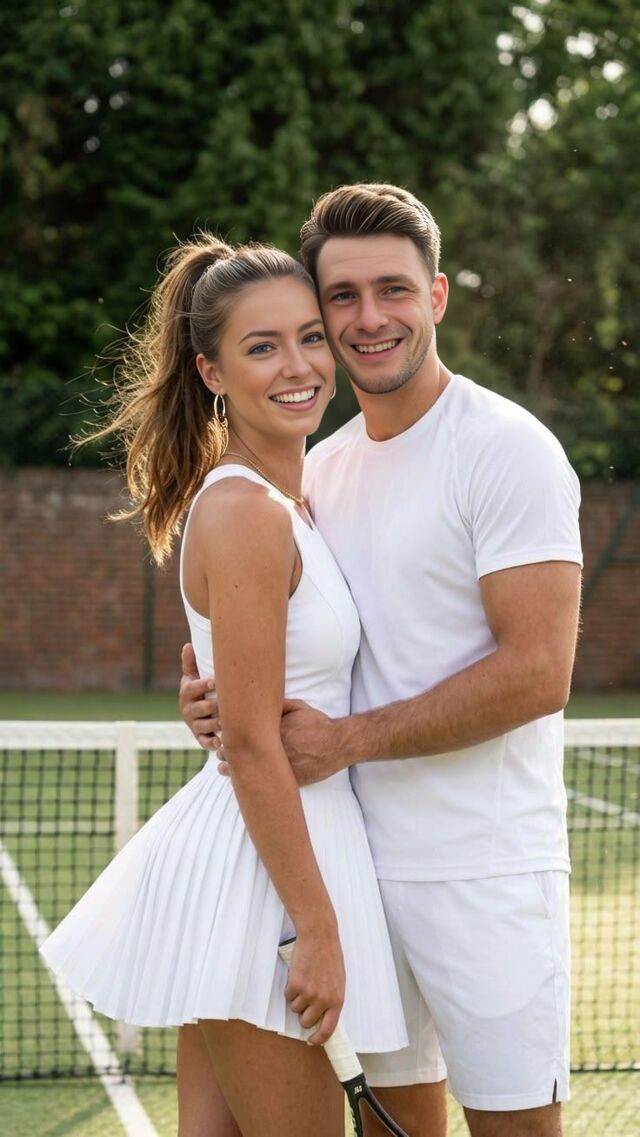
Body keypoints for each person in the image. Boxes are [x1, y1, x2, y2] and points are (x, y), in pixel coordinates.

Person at [180, 184, 583, 1137]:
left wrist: (347, 740)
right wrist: (213, 698)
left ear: (436, 295)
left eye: (393, 289)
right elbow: (286, 638)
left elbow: (540, 672)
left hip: (484, 870)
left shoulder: (508, 449)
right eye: (343, 297)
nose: (369, 317)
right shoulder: (317, 466)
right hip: (349, 867)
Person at [39, 234, 408, 1137]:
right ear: (212, 372)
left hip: (274, 857)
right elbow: (248, 738)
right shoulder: (247, 509)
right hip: (267, 878)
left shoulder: (294, 500)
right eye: (262, 346)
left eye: (310, 337)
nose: (299, 365)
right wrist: (318, 927)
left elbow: (250, 692)